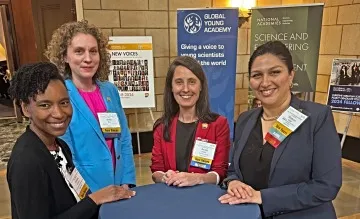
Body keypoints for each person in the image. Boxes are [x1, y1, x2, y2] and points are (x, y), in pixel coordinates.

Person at [219, 41, 342, 219]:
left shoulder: (317, 117)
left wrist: (262, 197)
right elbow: (232, 170)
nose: (265, 82)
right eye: (257, 75)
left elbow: (326, 186)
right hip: (248, 214)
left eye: (275, 72)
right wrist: (233, 182)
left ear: (291, 75)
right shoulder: (246, 119)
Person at [7, 62, 135, 219]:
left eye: (64, 103)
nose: (59, 113)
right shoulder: (27, 162)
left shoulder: (60, 146)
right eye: (45, 105)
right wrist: (94, 200)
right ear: (26, 109)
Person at [45, 20, 135, 192]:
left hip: (119, 187)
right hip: (87, 192)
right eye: (79, 51)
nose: (88, 58)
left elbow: (124, 139)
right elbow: (66, 154)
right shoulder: (61, 96)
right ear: (65, 56)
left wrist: (127, 180)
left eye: (93, 51)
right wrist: (89, 195)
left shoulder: (110, 91)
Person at [151, 56, 230, 187]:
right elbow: (156, 170)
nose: (186, 89)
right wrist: (165, 177)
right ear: (171, 87)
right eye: (179, 82)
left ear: (201, 86)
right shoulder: (161, 127)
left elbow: (220, 172)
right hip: (171, 198)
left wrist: (198, 178)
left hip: (204, 199)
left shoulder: (218, 124)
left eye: (192, 82)